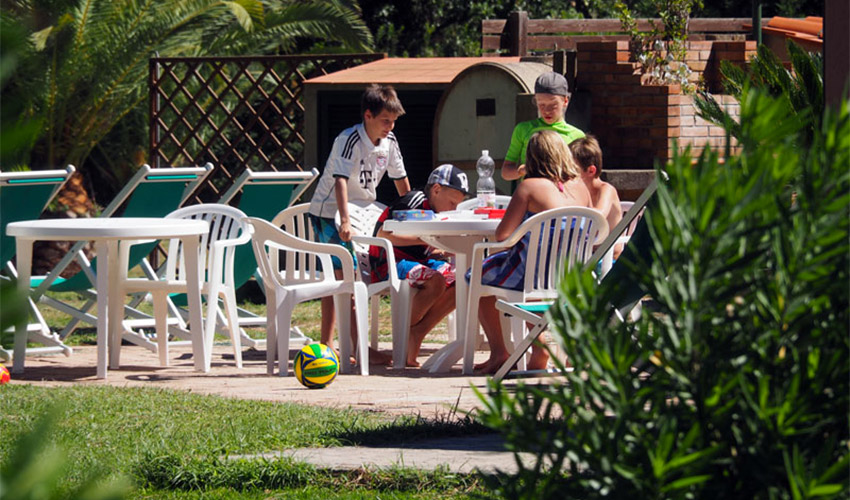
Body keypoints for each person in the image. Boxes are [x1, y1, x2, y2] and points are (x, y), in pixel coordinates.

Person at [470, 130, 591, 375]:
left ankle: (500, 352)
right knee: (528, 274)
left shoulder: (529, 187)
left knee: (478, 275)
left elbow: (503, 237)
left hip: (532, 276)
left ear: (531, 158)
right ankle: (539, 345)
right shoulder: (580, 188)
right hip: (569, 276)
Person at [308, 84, 411, 364]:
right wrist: (343, 220)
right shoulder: (349, 139)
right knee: (346, 276)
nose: (390, 126)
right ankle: (354, 346)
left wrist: (413, 213)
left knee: (343, 277)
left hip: (363, 213)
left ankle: (332, 343)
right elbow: (340, 181)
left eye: (393, 121)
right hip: (330, 213)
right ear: (368, 115)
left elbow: (400, 179)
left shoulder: (390, 143)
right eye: (385, 121)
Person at [369, 164, 469, 367]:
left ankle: (418, 331)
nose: (453, 209)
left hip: (417, 262)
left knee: (465, 279)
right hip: (389, 262)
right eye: (451, 202)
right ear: (437, 189)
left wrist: (441, 249)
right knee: (435, 280)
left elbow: (424, 248)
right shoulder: (413, 201)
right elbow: (384, 235)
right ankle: (405, 337)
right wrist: (426, 241)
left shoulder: (438, 212)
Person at [501, 71, 585, 181]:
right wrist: (522, 170)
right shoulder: (523, 129)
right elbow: (506, 172)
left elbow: (582, 177)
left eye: (553, 105)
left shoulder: (577, 136)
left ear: (565, 101)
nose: (546, 110)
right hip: (530, 194)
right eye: (541, 104)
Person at [569, 135, 622, 233]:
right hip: (587, 246)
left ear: (591, 171)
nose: (568, 174)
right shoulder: (578, 191)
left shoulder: (606, 190)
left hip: (610, 247)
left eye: (573, 170)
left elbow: (598, 218)